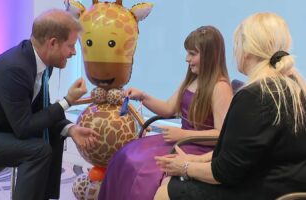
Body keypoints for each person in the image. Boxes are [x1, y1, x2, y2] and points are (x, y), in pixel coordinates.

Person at [154, 12, 306, 200]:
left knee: (166, 190)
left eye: (237, 45)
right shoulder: (295, 86)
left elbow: (224, 173)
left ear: (247, 50)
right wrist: (197, 159)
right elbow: (243, 153)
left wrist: (184, 167)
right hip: (291, 186)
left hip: (264, 190)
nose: (236, 52)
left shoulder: (253, 96)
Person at [0, 9, 98, 200]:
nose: (73, 53)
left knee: (52, 136)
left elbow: (41, 109)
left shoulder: (38, 62)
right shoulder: (15, 69)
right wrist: (67, 101)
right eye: (71, 46)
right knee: (38, 151)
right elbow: (23, 128)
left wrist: (69, 129)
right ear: (53, 43)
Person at [98, 26, 233, 200]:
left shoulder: (220, 87)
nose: (187, 59)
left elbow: (221, 134)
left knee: (146, 170)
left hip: (198, 149)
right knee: (125, 155)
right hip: (182, 141)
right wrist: (143, 96)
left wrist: (184, 133)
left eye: (192, 54)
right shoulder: (192, 79)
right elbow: (169, 108)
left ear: (209, 55)